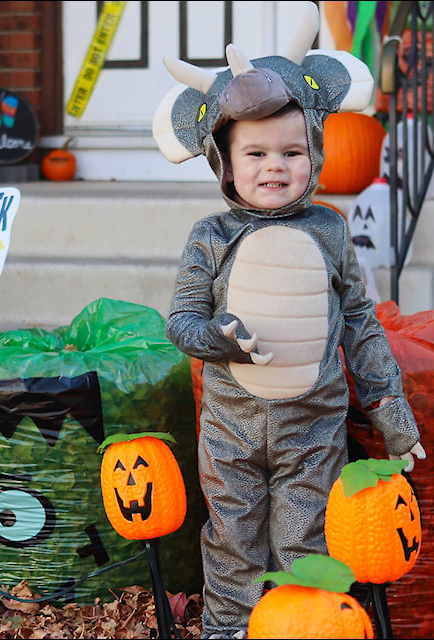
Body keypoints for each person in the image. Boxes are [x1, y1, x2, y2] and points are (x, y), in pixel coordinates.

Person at [151, 6, 425, 637]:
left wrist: (393, 418)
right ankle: (228, 627)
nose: (275, 166)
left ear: (317, 150)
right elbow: (181, 321)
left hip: (313, 426)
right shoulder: (210, 236)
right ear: (222, 160)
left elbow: (360, 325)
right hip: (230, 428)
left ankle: (301, 626)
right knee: (232, 536)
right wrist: (216, 338)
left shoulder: (329, 231)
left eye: (292, 151)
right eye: (255, 152)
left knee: (305, 535)